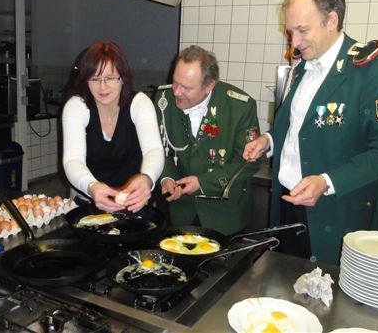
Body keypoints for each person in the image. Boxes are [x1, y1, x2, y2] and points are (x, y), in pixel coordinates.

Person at [243, 0, 378, 265]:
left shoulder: (370, 70)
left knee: (326, 303)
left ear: (331, 20)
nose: (294, 43)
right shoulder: (303, 67)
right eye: (290, 32)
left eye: (303, 31)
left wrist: (326, 182)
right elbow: (298, 128)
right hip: (286, 206)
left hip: (334, 212)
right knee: (284, 291)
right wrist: (269, 141)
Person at [156, 45, 261, 235]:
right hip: (180, 213)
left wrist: (202, 182)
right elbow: (159, 149)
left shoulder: (239, 107)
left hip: (224, 215)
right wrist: (167, 177)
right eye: (174, 82)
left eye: (186, 88)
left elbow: (249, 163)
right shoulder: (163, 101)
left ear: (209, 86)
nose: (177, 92)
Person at [63, 41, 164, 213]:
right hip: (88, 199)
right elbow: (73, 160)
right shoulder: (76, 107)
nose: (102, 86)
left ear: (122, 78)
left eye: (110, 78)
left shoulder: (139, 103)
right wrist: (92, 187)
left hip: (131, 202)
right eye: (95, 79)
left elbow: (153, 149)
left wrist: (147, 178)